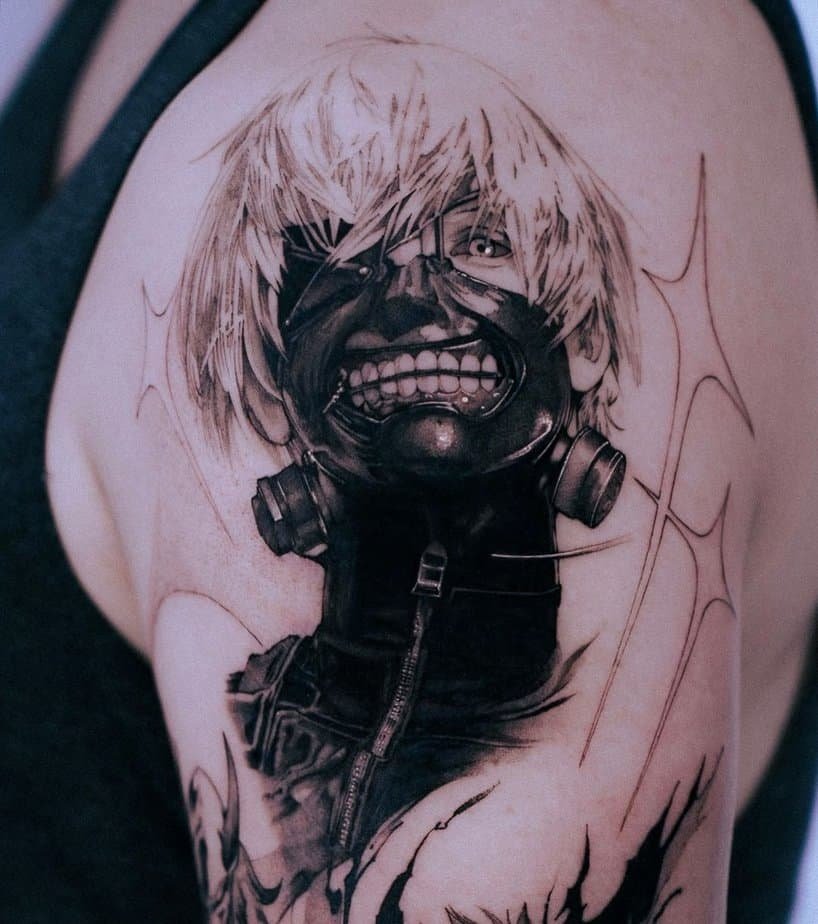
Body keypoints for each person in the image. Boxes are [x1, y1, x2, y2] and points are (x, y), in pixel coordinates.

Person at [1, 1, 815, 920]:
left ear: (584, 340)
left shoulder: (567, 70)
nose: (415, 299)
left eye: (483, 243)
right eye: (348, 258)